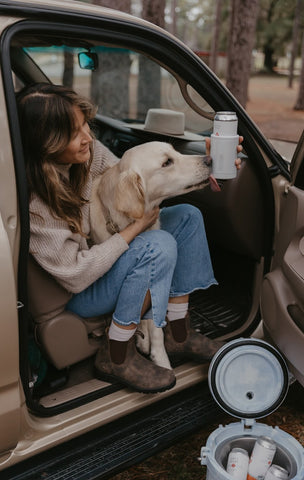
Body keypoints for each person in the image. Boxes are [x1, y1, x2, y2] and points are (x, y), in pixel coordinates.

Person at [16, 83, 242, 394]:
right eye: (74, 133)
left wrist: (204, 169)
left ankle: (179, 334)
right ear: (46, 143)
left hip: (106, 256)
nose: (88, 137)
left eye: (85, 124)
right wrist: (132, 231)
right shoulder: (38, 206)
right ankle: (117, 354)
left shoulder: (89, 155)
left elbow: (138, 180)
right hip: (81, 293)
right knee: (157, 245)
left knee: (188, 216)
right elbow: (76, 277)